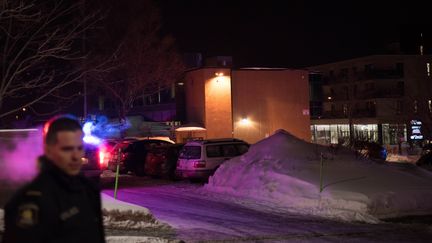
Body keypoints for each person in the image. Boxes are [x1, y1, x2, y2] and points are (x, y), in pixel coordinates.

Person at [3, 115, 105, 243]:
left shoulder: (89, 189)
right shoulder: (31, 201)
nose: (75, 156)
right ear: (48, 150)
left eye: (79, 148)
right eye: (67, 149)